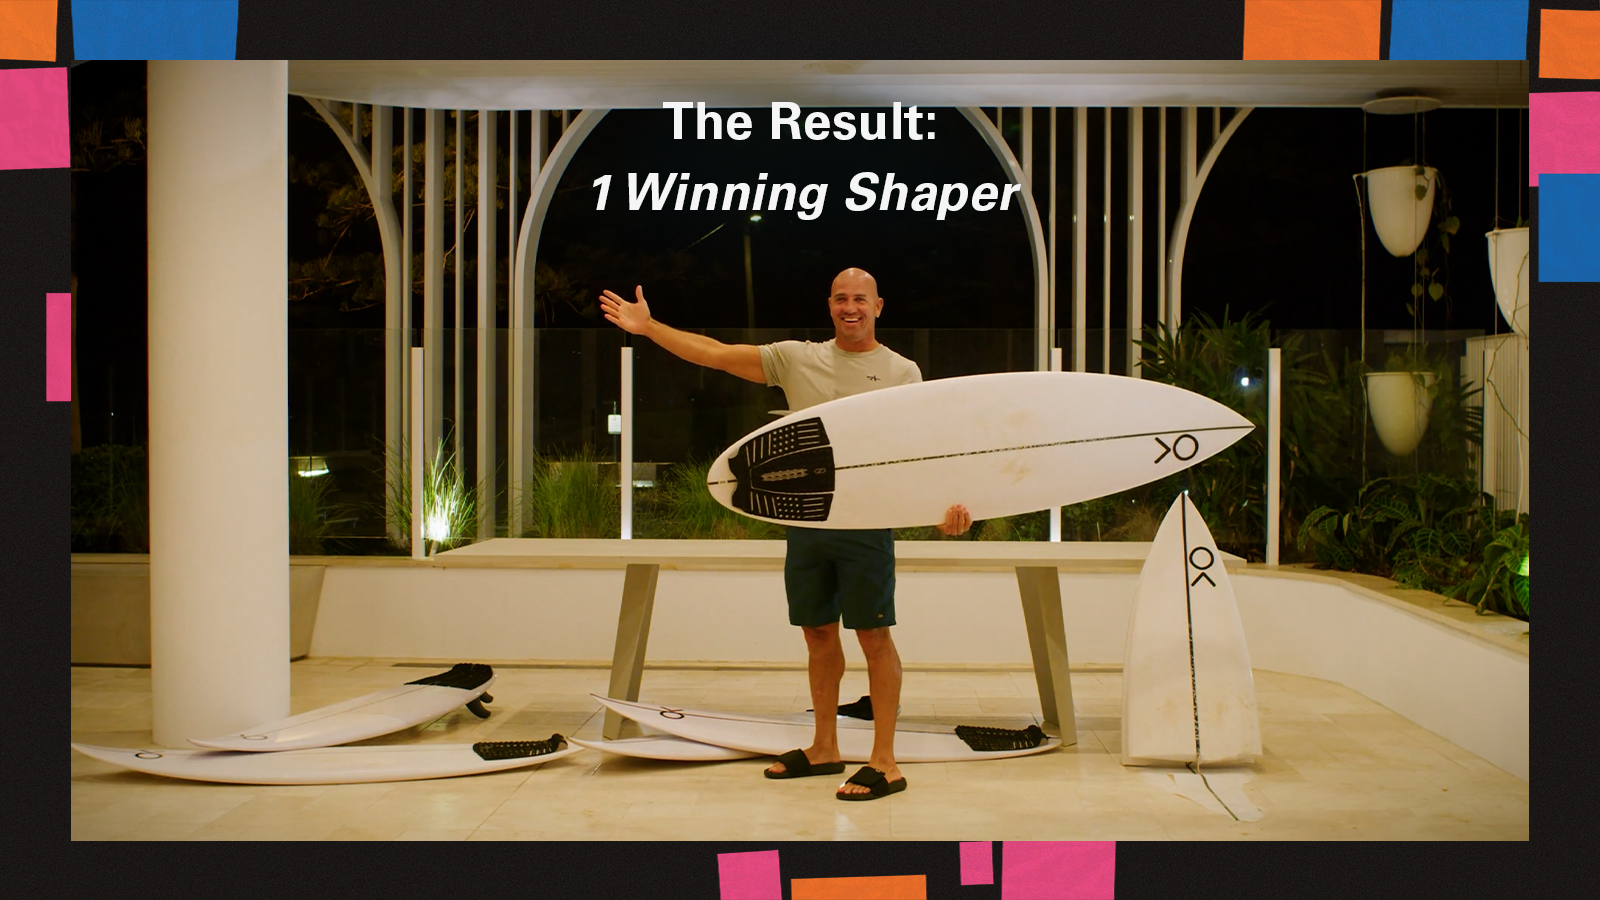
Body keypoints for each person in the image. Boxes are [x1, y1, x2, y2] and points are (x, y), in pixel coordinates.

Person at [600, 268, 971, 801]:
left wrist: (940, 509)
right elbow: (716, 354)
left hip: (865, 522)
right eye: (841, 298)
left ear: (878, 306)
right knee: (817, 632)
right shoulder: (797, 359)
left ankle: (884, 762)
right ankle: (824, 748)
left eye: (860, 299)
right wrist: (650, 327)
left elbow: (920, 450)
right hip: (806, 520)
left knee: (873, 637)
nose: (850, 307)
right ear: (829, 305)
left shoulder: (901, 371)